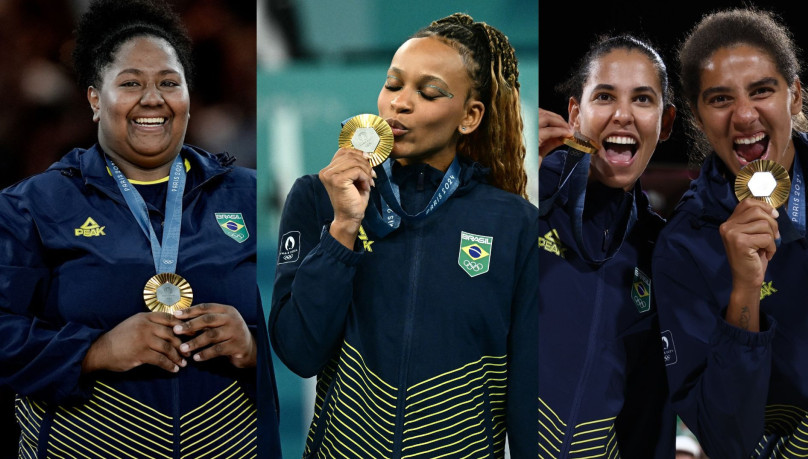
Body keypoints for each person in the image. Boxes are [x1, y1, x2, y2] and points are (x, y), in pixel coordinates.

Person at [0, 0, 280, 456]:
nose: (153, 98)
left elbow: (312, 329)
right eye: (130, 83)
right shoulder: (34, 205)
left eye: (170, 82)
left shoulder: (248, 196)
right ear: (95, 98)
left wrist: (254, 344)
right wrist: (95, 350)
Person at [270, 13, 536, 458]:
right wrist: (342, 230)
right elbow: (299, 352)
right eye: (393, 85)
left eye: (429, 92)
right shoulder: (317, 198)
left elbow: (529, 396)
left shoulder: (514, 225)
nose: (400, 103)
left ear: (470, 116)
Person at [653, 7, 808, 457]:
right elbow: (727, 442)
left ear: (796, 95)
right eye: (721, 99)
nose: (745, 115)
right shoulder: (684, 248)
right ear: (697, 114)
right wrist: (745, 291)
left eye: (762, 90)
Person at [537, 34, 677, 457]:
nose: (623, 115)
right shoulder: (520, 196)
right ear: (575, 114)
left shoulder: (657, 250)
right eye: (604, 97)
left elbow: (648, 414)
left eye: (642, 100)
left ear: (665, 123)